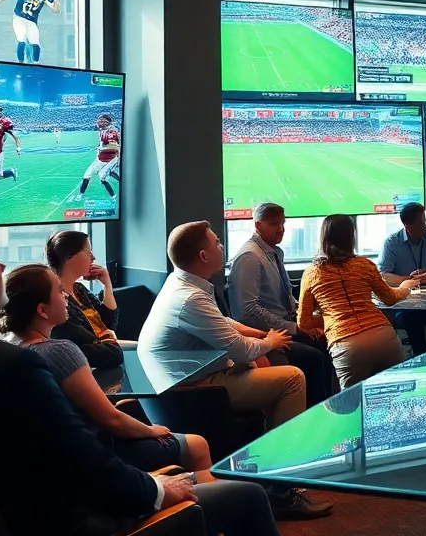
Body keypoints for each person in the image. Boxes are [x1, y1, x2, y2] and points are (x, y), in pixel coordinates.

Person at [0, 218, 280, 536]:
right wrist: (160, 489)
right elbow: (85, 464)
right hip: (64, 521)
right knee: (245, 497)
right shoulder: (9, 367)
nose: (2, 267)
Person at [138, 221, 329, 520]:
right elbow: (239, 349)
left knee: (278, 365)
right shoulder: (190, 297)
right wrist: (267, 342)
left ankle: (266, 469)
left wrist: (259, 339)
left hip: (193, 379)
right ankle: (280, 491)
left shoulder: (184, 283)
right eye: (216, 242)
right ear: (203, 255)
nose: (222, 246)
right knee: (293, 378)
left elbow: (223, 324)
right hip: (192, 390)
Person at [0, 264, 215, 477]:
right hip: (95, 458)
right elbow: (112, 420)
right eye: (60, 291)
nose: (66, 297)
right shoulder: (59, 351)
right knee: (197, 445)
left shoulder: (7, 347)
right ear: (42, 310)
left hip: (57, 461)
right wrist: (151, 431)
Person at [228, 203, 335, 404]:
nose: (281, 229)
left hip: (284, 326)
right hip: (266, 335)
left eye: (283, 223)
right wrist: (294, 328)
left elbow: (286, 296)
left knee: (327, 340)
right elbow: (247, 311)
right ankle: (313, 412)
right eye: (274, 224)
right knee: (314, 357)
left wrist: (305, 320)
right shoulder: (250, 257)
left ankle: (326, 405)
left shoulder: (274, 252)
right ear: (258, 225)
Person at [298, 215, 416, 389]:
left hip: (346, 344)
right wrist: (406, 287)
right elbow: (390, 298)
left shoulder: (312, 273)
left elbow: (303, 322)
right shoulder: (364, 265)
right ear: (351, 237)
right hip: (383, 336)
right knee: (395, 396)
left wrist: (332, 318)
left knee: (351, 407)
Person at [379, 202, 426, 353]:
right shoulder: (392, 243)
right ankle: (421, 356)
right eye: (421, 222)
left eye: (425, 221)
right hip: (406, 303)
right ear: (407, 226)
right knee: (410, 318)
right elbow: (383, 277)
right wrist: (410, 280)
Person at [46, 230, 124, 368]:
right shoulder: (57, 301)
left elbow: (109, 323)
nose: (93, 258)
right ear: (69, 257)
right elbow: (99, 347)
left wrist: (107, 285)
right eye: (88, 252)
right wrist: (109, 337)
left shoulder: (79, 289)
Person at [75, 113, 120, 201]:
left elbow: (112, 147)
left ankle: (113, 196)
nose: (99, 123)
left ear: (107, 123)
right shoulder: (102, 131)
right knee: (86, 176)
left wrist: (103, 148)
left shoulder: (111, 132)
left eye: (102, 121)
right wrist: (99, 147)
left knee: (102, 177)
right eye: (99, 121)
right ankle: (81, 194)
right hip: (100, 160)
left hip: (108, 160)